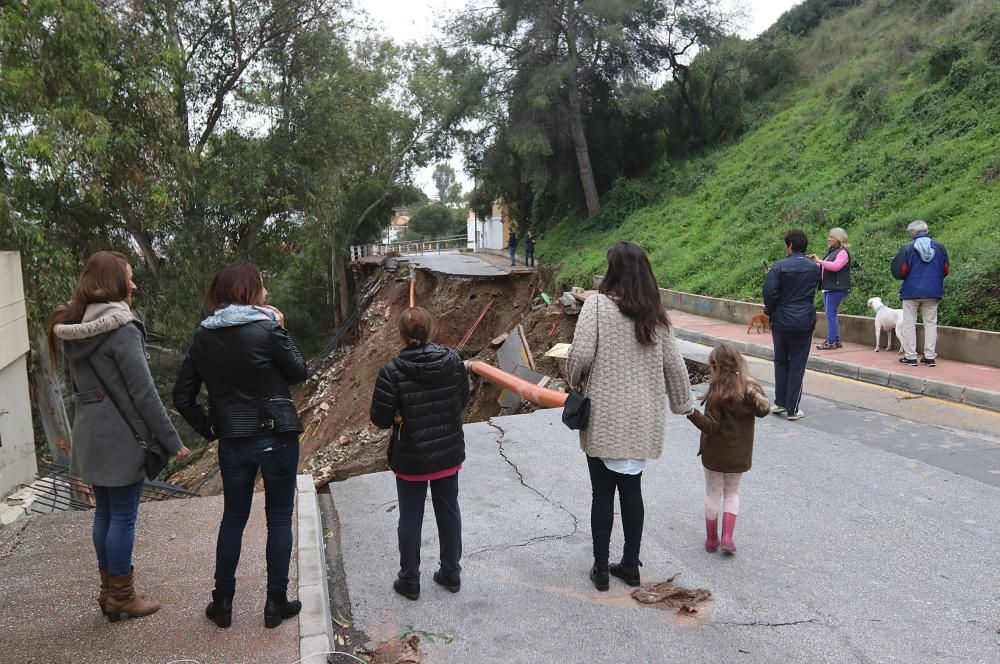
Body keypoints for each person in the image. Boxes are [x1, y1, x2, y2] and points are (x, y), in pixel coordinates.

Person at [49, 251, 189, 622]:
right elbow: (143, 393)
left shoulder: (71, 328)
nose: (134, 285)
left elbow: (73, 386)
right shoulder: (122, 329)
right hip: (122, 436)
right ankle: (122, 597)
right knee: (123, 516)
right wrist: (172, 441)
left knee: (106, 513)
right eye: (129, 277)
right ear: (113, 284)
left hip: (89, 433)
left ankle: (109, 592)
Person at [173, 264, 308, 629]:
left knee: (233, 519)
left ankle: (223, 605)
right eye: (261, 285)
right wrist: (281, 329)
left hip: (233, 442)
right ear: (252, 291)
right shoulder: (267, 328)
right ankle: (275, 604)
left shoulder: (203, 335)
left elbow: (182, 397)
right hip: (277, 436)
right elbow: (299, 371)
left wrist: (213, 428)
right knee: (279, 518)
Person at [567, 241, 693, 592]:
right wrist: (685, 406)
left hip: (603, 418)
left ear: (613, 270)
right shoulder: (656, 316)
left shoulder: (596, 306)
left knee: (602, 495)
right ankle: (631, 566)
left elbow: (580, 358)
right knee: (632, 491)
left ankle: (601, 569)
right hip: (643, 421)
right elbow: (675, 368)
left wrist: (573, 379)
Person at [370, 307, 469, 601]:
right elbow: (462, 400)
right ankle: (451, 572)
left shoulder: (392, 371)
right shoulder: (453, 362)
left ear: (400, 334)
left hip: (410, 458)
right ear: (431, 331)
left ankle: (410, 579)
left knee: (410, 518)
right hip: (448, 454)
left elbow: (380, 419)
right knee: (449, 512)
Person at [687, 344, 770, 554]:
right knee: (732, 493)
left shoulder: (717, 393)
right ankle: (728, 537)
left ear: (716, 368)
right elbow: (764, 409)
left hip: (714, 455)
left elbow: (711, 426)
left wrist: (691, 413)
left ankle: (712, 540)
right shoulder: (750, 391)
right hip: (738, 456)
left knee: (713, 494)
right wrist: (753, 389)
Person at [762, 228, 820, 421]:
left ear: (790, 246)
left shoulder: (779, 266)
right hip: (804, 321)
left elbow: (769, 293)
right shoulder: (814, 267)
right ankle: (793, 409)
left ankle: (780, 402)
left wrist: (771, 311)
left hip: (781, 321)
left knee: (780, 361)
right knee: (797, 364)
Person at [891, 220, 949, 367]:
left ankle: (910, 357)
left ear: (912, 233)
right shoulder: (940, 247)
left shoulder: (907, 248)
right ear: (927, 230)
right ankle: (929, 357)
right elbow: (945, 269)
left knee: (909, 324)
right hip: (933, 291)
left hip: (911, 291)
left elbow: (900, 271)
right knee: (930, 323)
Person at [808, 227, 851, 350]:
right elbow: (822, 266)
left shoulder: (842, 252)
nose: (829, 239)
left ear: (838, 238)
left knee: (830, 314)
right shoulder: (831, 251)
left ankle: (831, 341)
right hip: (829, 287)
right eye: (829, 236)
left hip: (837, 287)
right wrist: (812, 262)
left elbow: (836, 266)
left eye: (831, 237)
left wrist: (820, 261)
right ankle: (835, 340)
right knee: (831, 314)